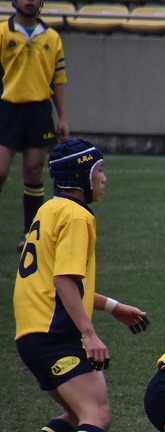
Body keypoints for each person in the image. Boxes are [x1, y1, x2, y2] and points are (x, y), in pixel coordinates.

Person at [1, 139, 149, 432]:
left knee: (74, 413)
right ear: (82, 175)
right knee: (97, 411)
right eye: (100, 171)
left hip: (32, 335)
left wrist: (113, 307)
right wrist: (89, 333)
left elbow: (57, 281)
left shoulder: (49, 209)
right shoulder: (77, 216)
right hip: (54, 336)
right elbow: (65, 281)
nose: (104, 179)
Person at [1, 0, 69, 251]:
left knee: (33, 170)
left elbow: (58, 79)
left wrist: (63, 117)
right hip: (7, 109)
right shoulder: (3, 33)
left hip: (39, 111)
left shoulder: (52, 37)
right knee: (0, 171)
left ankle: (30, 232)